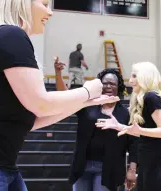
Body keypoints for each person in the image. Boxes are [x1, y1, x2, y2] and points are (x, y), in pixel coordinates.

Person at [0, 0, 118, 191]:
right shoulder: (11, 35)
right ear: (23, 3)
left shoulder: (7, 37)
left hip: (2, 166)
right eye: (45, 4)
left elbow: (33, 119)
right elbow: (41, 104)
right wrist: (87, 91)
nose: (50, 13)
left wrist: (84, 103)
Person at [54, 57, 139, 191]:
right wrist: (58, 73)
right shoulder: (88, 105)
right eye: (105, 83)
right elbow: (66, 97)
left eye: (112, 84)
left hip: (109, 169)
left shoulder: (125, 114)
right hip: (82, 166)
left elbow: (133, 145)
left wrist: (132, 169)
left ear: (119, 87)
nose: (108, 86)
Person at [96, 62, 161, 191]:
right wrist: (119, 126)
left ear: (145, 77)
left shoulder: (152, 97)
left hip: (158, 162)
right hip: (147, 161)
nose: (130, 80)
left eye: (134, 76)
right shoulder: (143, 98)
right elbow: (141, 132)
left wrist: (138, 130)